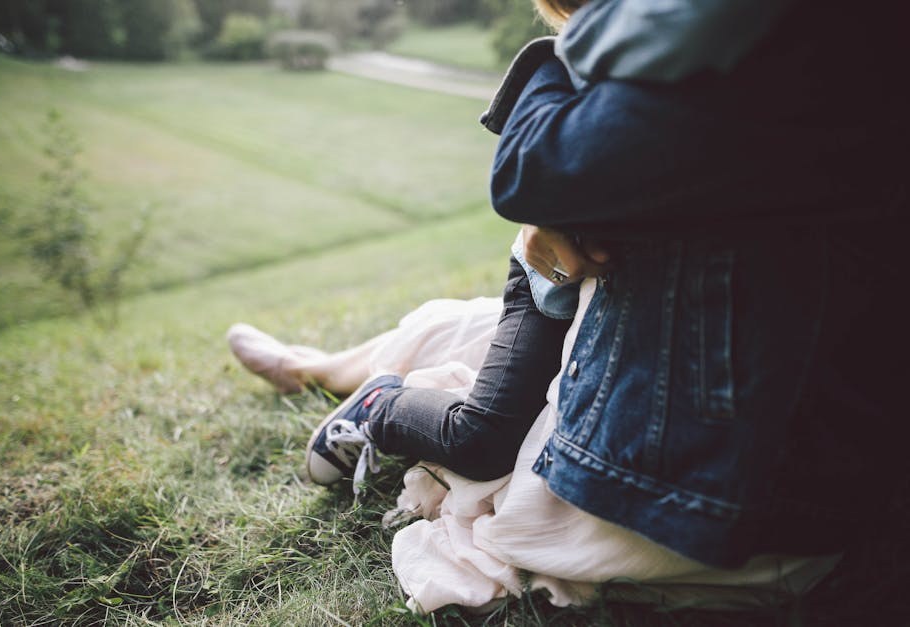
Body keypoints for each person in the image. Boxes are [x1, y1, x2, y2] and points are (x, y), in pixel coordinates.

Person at [229, 0, 907, 612]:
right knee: (470, 341)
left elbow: (531, 167)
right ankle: (322, 370)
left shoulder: (772, 54)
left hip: (724, 405)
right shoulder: (728, 64)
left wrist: (561, 177)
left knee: (484, 434)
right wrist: (555, 212)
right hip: (597, 308)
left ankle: (376, 400)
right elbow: (543, 176)